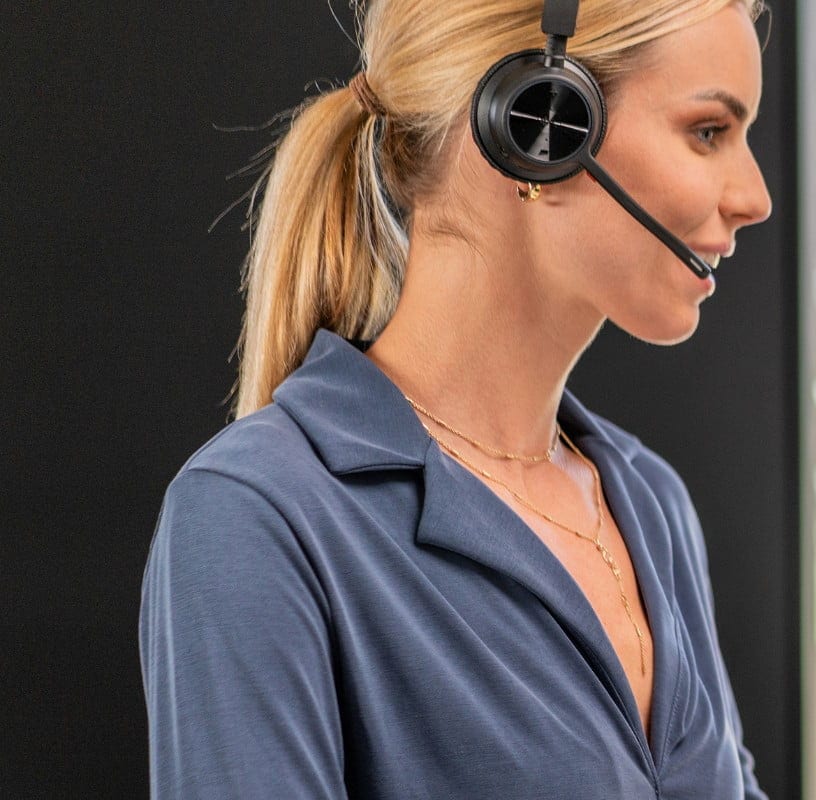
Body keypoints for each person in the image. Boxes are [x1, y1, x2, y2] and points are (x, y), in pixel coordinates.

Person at [137, 0, 774, 795]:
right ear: (541, 121)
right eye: (708, 132)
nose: (755, 197)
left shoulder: (650, 503)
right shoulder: (262, 514)